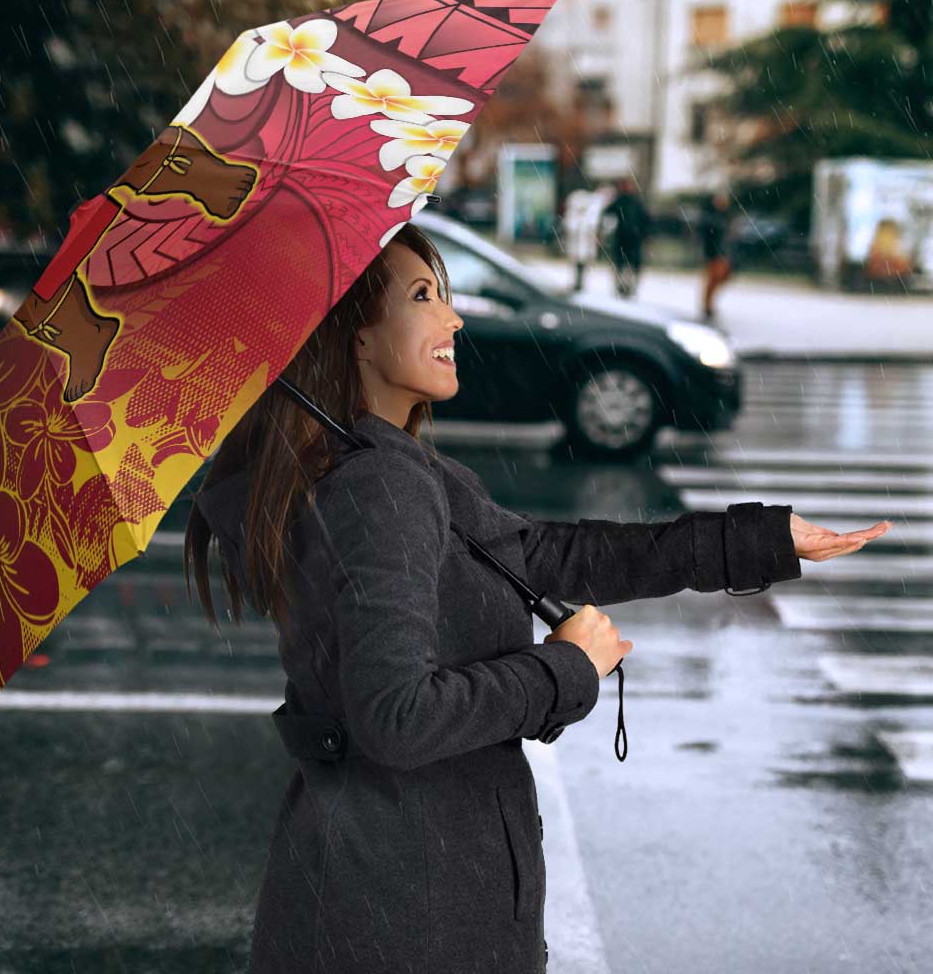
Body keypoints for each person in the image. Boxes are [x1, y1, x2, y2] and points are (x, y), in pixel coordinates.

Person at [185, 222, 891, 974]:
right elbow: (397, 717)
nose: (454, 318)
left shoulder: (380, 469)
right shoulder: (380, 486)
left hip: (382, 891)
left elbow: (550, 556)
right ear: (356, 335)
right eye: (423, 297)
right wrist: (564, 669)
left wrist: (757, 540)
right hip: (409, 912)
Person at [601, 176, 651, 299]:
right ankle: (622, 287)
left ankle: (628, 287)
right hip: (625, 238)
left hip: (631, 239)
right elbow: (607, 213)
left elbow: (645, 220)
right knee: (623, 264)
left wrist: (644, 234)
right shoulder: (623, 201)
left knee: (628, 265)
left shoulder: (633, 202)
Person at [699, 189, 735, 321]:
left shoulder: (725, 216)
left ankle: (708, 304)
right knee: (713, 279)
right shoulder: (711, 217)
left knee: (721, 277)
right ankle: (707, 305)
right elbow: (708, 236)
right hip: (714, 253)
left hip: (723, 253)